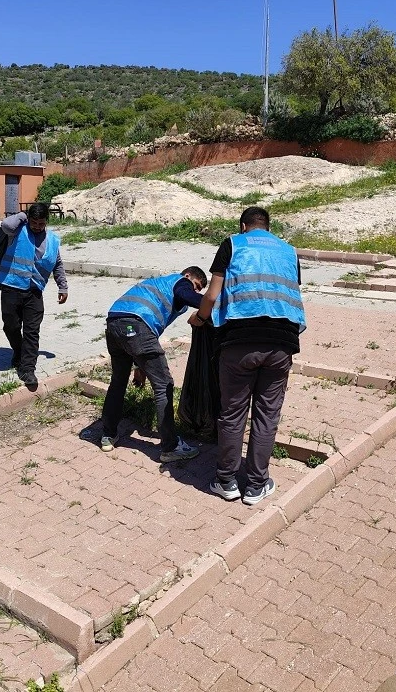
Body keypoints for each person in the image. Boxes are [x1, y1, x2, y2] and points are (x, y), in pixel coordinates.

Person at [189, 207, 306, 505]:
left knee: (232, 413)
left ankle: (226, 481)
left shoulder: (233, 244)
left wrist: (200, 319)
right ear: (268, 226)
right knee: (267, 416)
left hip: (239, 342)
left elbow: (212, 295)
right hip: (282, 343)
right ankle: (256, 485)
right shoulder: (289, 251)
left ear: (243, 226)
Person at [100, 267, 208, 462]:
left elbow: (139, 340)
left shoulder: (157, 284)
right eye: (197, 286)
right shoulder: (180, 282)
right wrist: (212, 304)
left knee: (118, 382)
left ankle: (108, 434)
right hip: (137, 324)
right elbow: (186, 295)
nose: (196, 292)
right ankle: (171, 446)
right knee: (163, 384)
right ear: (187, 276)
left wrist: (140, 369)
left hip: (115, 323)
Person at [0, 202, 68, 389]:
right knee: (10, 326)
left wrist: (63, 287)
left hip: (35, 291)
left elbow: (57, 264)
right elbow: (5, 225)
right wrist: (22, 216)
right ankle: (18, 352)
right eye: (34, 222)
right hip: (11, 286)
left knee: (31, 331)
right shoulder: (17, 231)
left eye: (41, 223)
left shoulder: (52, 240)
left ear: (47, 221)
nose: (37, 226)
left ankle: (28, 369)